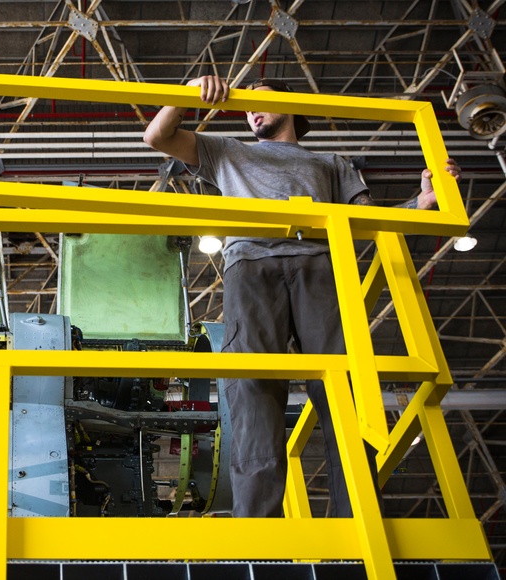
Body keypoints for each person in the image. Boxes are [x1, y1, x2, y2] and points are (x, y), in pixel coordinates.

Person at [143, 75, 461, 517]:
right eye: (247, 105)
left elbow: (366, 222)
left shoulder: (331, 161)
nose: (252, 110)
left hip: (320, 267)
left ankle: (359, 519)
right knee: (254, 390)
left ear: (291, 106)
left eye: (262, 101)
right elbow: (157, 136)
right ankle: (260, 530)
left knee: (343, 389)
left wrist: (421, 204)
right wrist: (188, 90)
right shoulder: (227, 151)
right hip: (249, 266)